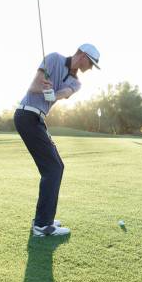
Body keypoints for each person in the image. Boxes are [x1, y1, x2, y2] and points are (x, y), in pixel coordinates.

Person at [14, 43, 100, 237]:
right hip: (26, 115)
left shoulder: (77, 82)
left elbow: (65, 93)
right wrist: (44, 89)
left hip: (37, 119)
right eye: (91, 62)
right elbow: (33, 86)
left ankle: (44, 219)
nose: (90, 67)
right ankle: (43, 225)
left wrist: (54, 93)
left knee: (55, 167)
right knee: (53, 168)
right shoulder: (53, 58)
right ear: (82, 55)